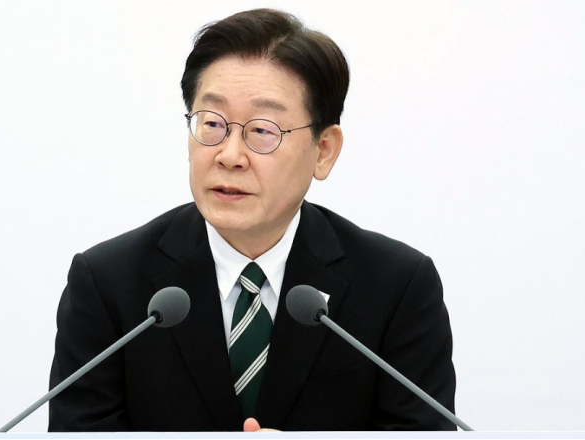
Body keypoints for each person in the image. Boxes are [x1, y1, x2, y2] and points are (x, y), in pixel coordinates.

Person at [49, 8, 456, 432]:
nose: (229, 156)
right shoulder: (108, 284)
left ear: (323, 150)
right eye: (212, 123)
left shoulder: (397, 287)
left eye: (262, 130)